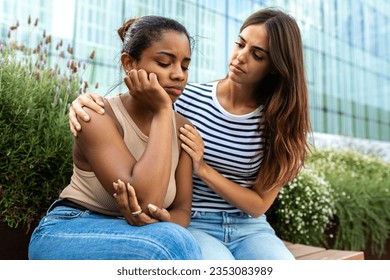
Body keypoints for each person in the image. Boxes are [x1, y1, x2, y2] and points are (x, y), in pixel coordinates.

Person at [68, 8, 310, 260]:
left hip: (251, 228)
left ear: (275, 66)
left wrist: (203, 168)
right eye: (240, 44)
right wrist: (82, 102)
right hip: (194, 223)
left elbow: (258, 204)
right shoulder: (184, 98)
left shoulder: (283, 124)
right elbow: (137, 108)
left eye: (257, 55)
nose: (240, 57)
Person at [28, 15, 202, 260]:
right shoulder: (96, 115)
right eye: (165, 63)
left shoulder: (183, 128)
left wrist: (162, 219)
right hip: (72, 227)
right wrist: (163, 111)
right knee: (171, 243)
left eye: (185, 66)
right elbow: (145, 200)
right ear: (129, 63)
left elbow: (182, 210)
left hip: (143, 234)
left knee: (176, 239)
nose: (179, 75)